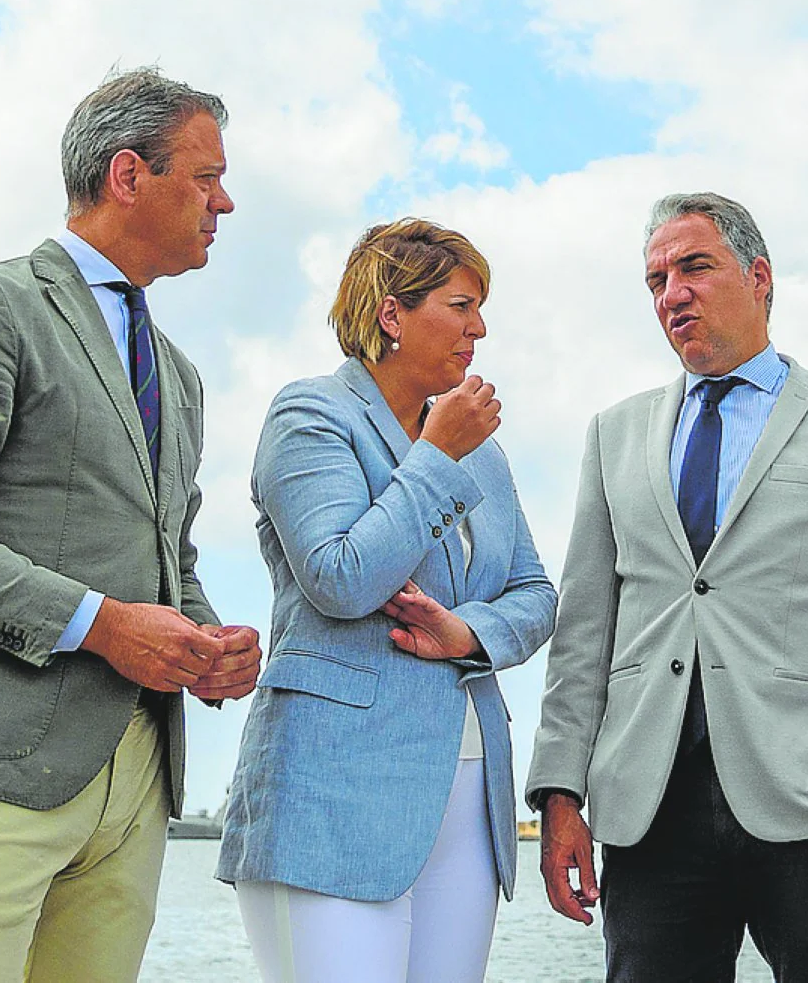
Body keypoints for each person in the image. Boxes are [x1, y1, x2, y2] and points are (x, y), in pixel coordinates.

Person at [0, 67, 263, 983]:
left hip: (136, 789)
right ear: (129, 175)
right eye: (206, 179)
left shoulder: (180, 372)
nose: (225, 202)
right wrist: (107, 626)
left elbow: (171, 549)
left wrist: (202, 637)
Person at [529, 192, 808, 983]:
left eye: (693, 267)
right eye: (654, 281)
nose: (670, 293)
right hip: (648, 808)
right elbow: (585, 630)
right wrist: (560, 794)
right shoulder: (615, 434)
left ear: (759, 277)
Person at [218, 218, 557, 983]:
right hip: (331, 794)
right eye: (461, 304)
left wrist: (464, 633)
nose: (480, 328)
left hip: (468, 796)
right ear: (392, 313)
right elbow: (341, 578)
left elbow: (537, 594)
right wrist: (436, 456)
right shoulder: (309, 416)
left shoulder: (485, 452)